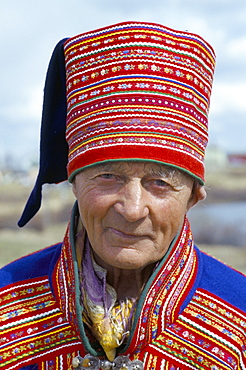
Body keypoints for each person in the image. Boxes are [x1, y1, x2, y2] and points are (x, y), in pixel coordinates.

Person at [0, 21, 245, 370]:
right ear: (75, 183)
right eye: (107, 176)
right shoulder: (7, 304)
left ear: (193, 196)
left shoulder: (239, 324)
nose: (132, 209)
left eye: (159, 183)